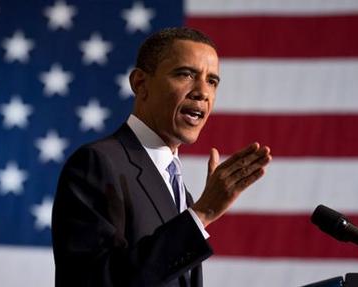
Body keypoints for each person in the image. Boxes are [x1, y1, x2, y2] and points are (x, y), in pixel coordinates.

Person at [52, 27, 272, 287]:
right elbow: (96, 281)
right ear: (140, 84)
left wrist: (197, 213)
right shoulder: (98, 163)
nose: (202, 91)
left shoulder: (177, 187)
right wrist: (202, 213)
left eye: (212, 81)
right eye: (186, 74)